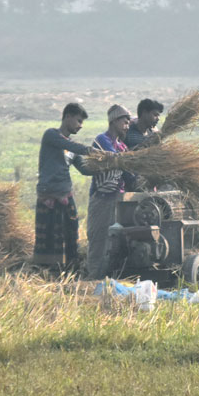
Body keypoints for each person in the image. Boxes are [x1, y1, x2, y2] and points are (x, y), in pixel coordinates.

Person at [33, 103, 99, 271]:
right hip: (49, 195)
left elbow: (84, 169)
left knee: (70, 232)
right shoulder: (51, 135)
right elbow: (72, 146)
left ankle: (68, 270)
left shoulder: (71, 148)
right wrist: (91, 150)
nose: (80, 126)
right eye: (78, 121)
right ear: (67, 116)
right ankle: (46, 271)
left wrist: (106, 165)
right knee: (49, 235)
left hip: (64, 195)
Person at [86, 104, 137, 279]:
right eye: (125, 121)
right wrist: (131, 160)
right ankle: (93, 276)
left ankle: (109, 276)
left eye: (129, 122)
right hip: (102, 198)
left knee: (114, 241)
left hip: (118, 199)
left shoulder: (121, 146)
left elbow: (129, 173)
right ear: (114, 121)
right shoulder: (102, 140)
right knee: (98, 237)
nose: (127, 125)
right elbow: (112, 158)